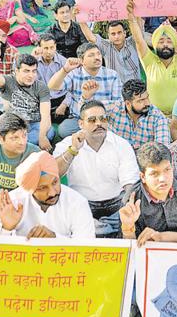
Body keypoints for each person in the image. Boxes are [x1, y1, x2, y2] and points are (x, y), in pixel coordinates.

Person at [54, 99, 138, 237]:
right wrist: (73, 150)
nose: (99, 123)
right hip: (82, 205)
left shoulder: (121, 145)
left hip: (116, 205)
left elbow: (130, 183)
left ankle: (106, 228)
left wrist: (127, 208)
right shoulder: (67, 145)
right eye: (92, 120)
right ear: (81, 124)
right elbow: (54, 174)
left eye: (103, 119)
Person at [118, 140, 177, 246]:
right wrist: (127, 228)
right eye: (154, 173)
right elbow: (130, 247)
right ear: (143, 177)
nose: (162, 178)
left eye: (167, 169)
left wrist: (161, 237)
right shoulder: (131, 200)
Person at [0, 151, 94, 238]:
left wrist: (55, 239)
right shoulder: (12, 202)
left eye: (55, 182)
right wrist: (6, 229)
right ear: (29, 190)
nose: (52, 192)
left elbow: (85, 247)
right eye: (42, 188)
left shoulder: (77, 202)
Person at [127, 0, 177, 116]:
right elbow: (139, 40)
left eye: (169, 41)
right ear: (155, 46)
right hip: (153, 117)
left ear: (175, 45)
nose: (165, 45)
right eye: (161, 42)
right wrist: (131, 17)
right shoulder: (149, 61)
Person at [48, 42, 122, 138]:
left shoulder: (112, 75)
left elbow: (118, 103)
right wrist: (65, 70)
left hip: (104, 118)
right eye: (91, 55)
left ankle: (90, 135)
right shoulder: (74, 73)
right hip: (79, 118)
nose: (97, 57)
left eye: (98, 54)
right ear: (81, 61)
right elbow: (52, 86)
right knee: (64, 130)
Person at [0, 51, 53, 149]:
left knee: (49, 133)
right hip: (12, 125)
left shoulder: (41, 86)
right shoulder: (7, 81)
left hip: (33, 125)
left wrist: (42, 137)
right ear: (16, 70)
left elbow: (45, 116)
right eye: (26, 71)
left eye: (34, 71)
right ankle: (17, 143)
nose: (31, 75)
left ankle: (11, 144)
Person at [106, 79, 170, 150]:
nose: (147, 103)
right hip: (118, 157)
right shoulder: (114, 108)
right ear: (128, 103)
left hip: (146, 159)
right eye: (141, 100)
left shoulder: (157, 116)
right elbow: (93, 108)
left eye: (147, 97)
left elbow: (163, 150)